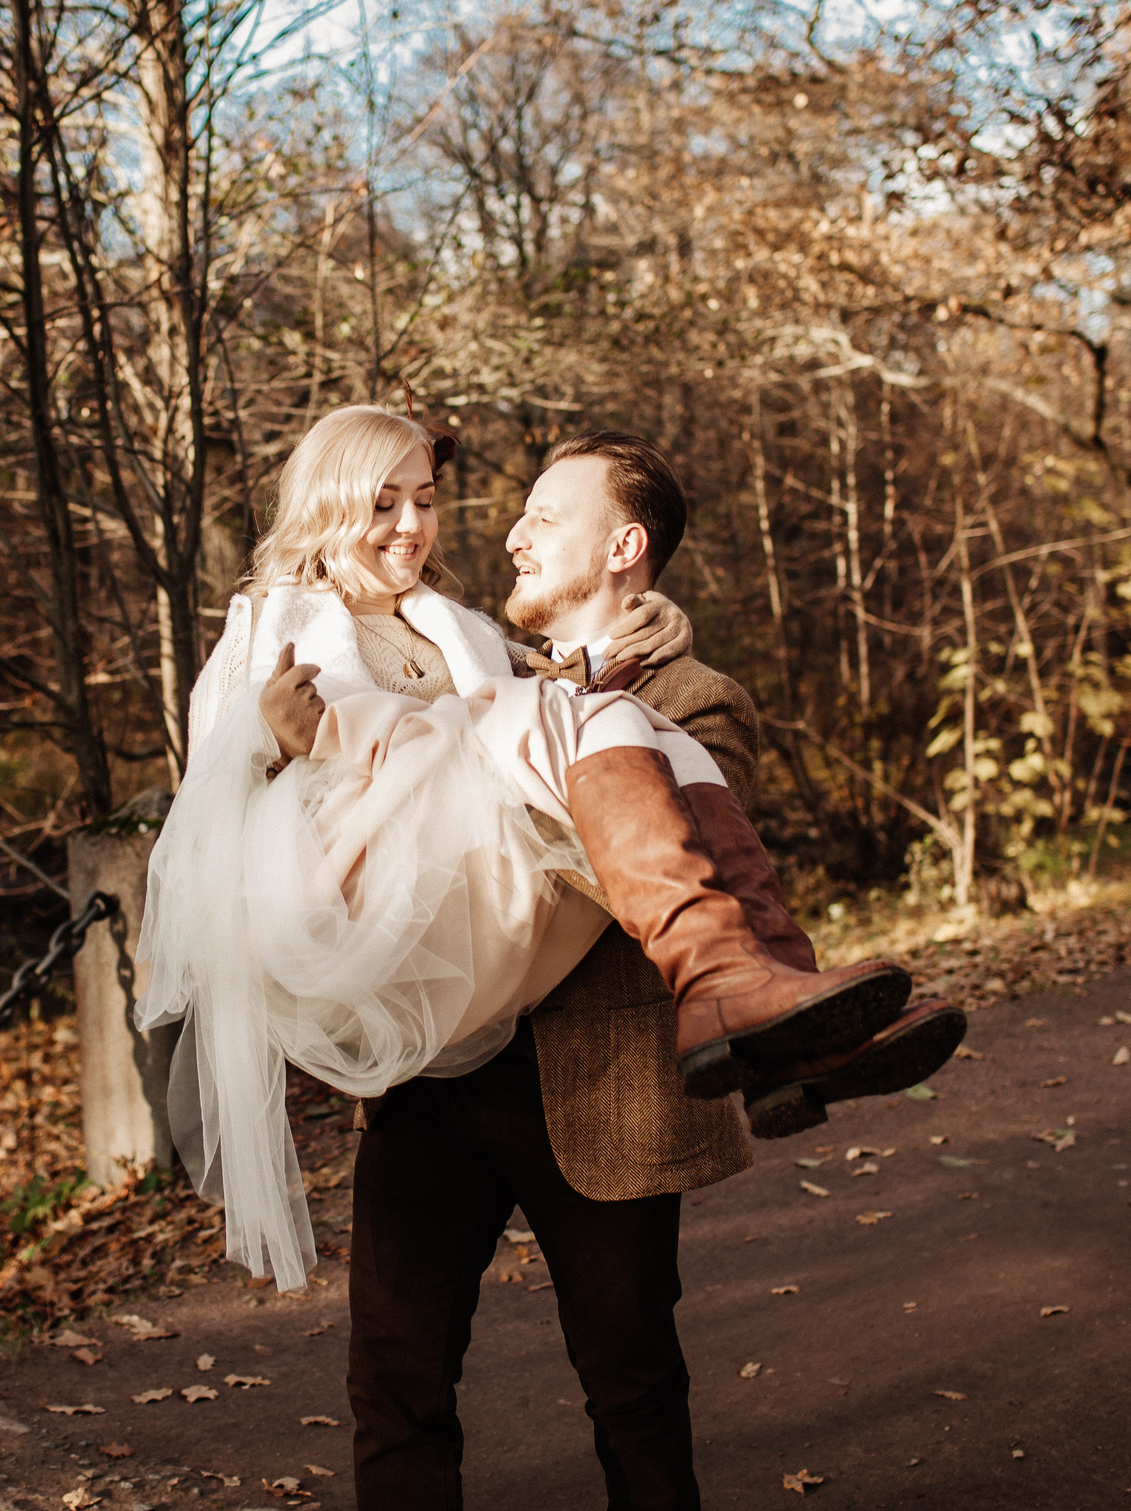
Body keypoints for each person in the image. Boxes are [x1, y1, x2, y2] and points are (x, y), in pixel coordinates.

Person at [135, 407, 924, 1295]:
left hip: (481, 914)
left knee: (640, 723)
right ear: (327, 508)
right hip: (360, 896)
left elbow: (549, 672)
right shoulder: (280, 621)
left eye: (425, 500)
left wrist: (640, 617)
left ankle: (764, 1000)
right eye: (382, 502)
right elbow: (213, 803)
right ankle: (740, 990)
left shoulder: (451, 623)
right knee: (590, 717)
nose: (411, 524)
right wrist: (275, 742)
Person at [341, 431, 966, 1511]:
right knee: (393, 1383)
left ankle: (780, 1026)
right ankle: (793, 1040)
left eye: (544, 514)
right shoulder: (465, 656)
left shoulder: (696, 696)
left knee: (630, 1386)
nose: (510, 533)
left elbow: (631, 856)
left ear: (623, 545)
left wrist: (575, 698)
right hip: (436, 1080)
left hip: (601, 1091)